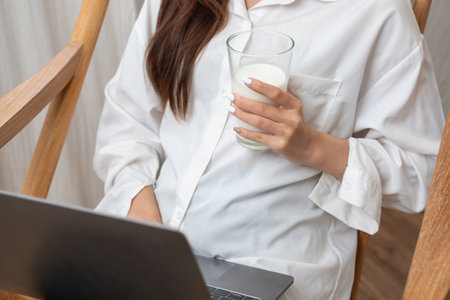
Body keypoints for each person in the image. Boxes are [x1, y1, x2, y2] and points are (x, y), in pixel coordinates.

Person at [93, 0, 445, 298]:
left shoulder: (373, 13)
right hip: (148, 243)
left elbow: (424, 173)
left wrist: (313, 146)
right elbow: (128, 121)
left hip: (271, 272)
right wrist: (149, 233)